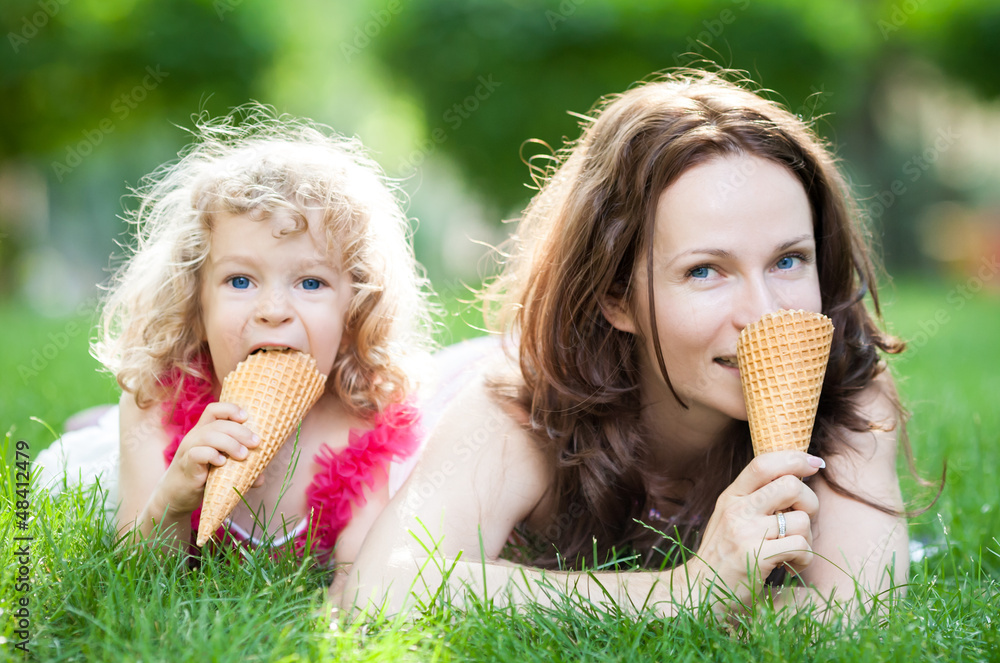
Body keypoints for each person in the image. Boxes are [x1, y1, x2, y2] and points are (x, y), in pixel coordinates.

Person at [338, 69, 921, 620]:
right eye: (704, 271)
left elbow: (858, 608)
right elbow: (381, 586)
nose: (766, 316)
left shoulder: (848, 391)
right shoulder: (525, 404)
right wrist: (683, 591)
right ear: (616, 296)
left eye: (789, 260)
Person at [39, 107, 434, 567]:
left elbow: (359, 573)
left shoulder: (365, 423)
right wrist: (174, 497)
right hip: (130, 460)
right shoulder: (157, 402)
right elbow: (141, 570)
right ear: (195, 299)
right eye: (241, 281)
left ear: (355, 309)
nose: (272, 311)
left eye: (311, 283)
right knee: (82, 460)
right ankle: (101, 426)